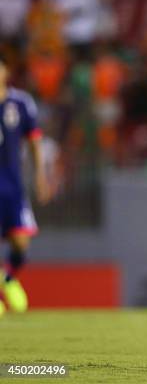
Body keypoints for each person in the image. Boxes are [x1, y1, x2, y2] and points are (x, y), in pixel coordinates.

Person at [0, 55, 50, 316]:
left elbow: (34, 141)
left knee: (21, 244)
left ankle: (7, 279)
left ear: (5, 70)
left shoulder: (20, 103)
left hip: (13, 184)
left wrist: (40, 176)